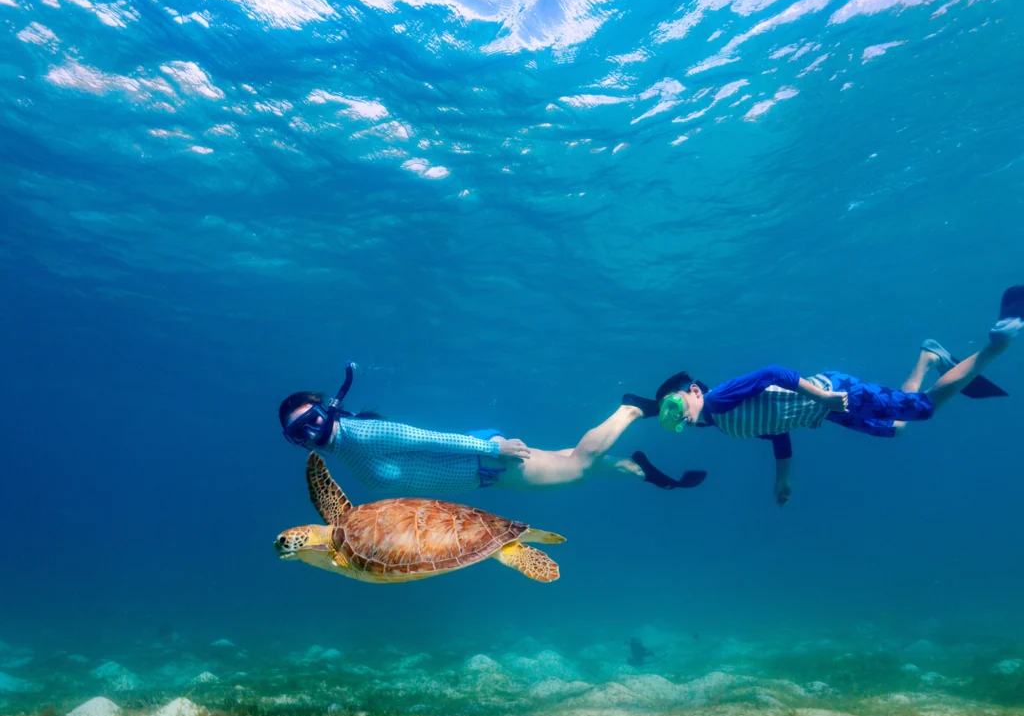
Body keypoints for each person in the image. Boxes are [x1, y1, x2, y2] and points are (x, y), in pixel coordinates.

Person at [627, 286, 1024, 507]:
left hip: (836, 393)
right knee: (898, 429)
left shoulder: (719, 399)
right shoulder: (723, 423)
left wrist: (824, 397)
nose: (679, 418)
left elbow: (773, 372)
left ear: (694, 391)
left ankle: (998, 343)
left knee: (923, 410)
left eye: (675, 406)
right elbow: (777, 432)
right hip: (827, 412)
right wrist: (782, 479)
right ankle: (927, 356)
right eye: (670, 418)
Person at [279, 364, 706, 498]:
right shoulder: (348, 446)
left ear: (325, 409)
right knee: (565, 461)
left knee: (576, 466)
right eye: (299, 433)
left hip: (485, 461)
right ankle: (641, 472)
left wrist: (491, 447)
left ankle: (630, 410)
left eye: (312, 419)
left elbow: (428, 439)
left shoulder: (360, 436)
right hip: (479, 465)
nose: (311, 434)